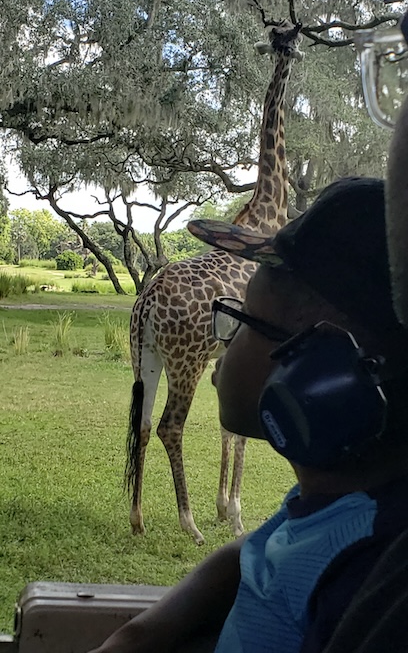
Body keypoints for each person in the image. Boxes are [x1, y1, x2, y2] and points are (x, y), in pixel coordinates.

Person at [88, 174, 408, 653]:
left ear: (321, 370)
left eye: (241, 321)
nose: (224, 344)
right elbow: (267, 548)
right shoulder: (337, 505)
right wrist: (141, 634)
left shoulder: (367, 589)